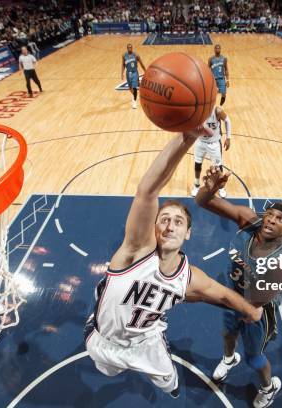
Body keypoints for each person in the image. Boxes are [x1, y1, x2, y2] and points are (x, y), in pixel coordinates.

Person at [84, 126, 263, 398]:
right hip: (102, 340)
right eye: (164, 219)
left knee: (170, 382)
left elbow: (224, 295)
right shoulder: (135, 251)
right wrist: (187, 137)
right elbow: (147, 191)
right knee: (107, 370)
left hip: (147, 344)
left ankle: (169, 384)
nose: (169, 226)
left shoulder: (189, 277)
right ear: (152, 227)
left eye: (178, 222)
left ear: (188, 233)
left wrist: (251, 311)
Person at [195, 166, 282, 408]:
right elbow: (202, 202)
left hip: (257, 309)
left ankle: (268, 388)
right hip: (232, 293)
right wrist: (210, 189)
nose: (271, 220)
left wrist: (209, 295)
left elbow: (258, 302)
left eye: (280, 219)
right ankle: (229, 359)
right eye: (270, 214)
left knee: (254, 358)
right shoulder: (248, 219)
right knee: (228, 334)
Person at [190, 106, 231, 198]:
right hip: (200, 142)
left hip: (214, 143)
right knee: (197, 164)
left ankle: (221, 188)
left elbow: (227, 121)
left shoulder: (217, 111)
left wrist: (228, 138)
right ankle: (196, 185)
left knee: (218, 167)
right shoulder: (196, 110)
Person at [121, 43, 146, 109]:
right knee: (130, 88)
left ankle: (134, 101)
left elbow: (141, 64)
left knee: (134, 88)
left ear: (132, 48)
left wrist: (146, 71)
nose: (130, 49)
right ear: (127, 48)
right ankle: (136, 95)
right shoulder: (124, 55)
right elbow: (123, 64)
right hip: (128, 73)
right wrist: (122, 73)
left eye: (131, 47)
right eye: (128, 47)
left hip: (135, 72)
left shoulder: (136, 55)